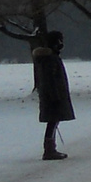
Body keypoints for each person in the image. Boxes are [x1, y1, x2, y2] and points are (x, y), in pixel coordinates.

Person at [32, 30, 75, 161]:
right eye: (60, 41)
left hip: (51, 95)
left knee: (54, 121)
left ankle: (51, 148)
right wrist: (55, 96)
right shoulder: (49, 59)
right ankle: (49, 149)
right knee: (52, 121)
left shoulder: (49, 58)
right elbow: (49, 80)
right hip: (53, 96)